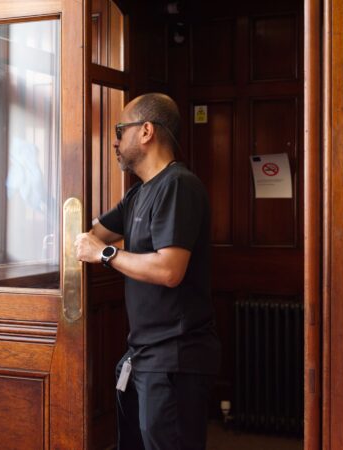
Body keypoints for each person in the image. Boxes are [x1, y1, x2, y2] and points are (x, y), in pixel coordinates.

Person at [75, 93, 221, 450]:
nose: (114, 140)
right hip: (143, 354)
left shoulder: (178, 185)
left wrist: (106, 254)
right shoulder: (139, 194)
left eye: (119, 130)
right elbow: (93, 234)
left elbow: (169, 269)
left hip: (175, 357)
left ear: (146, 132)